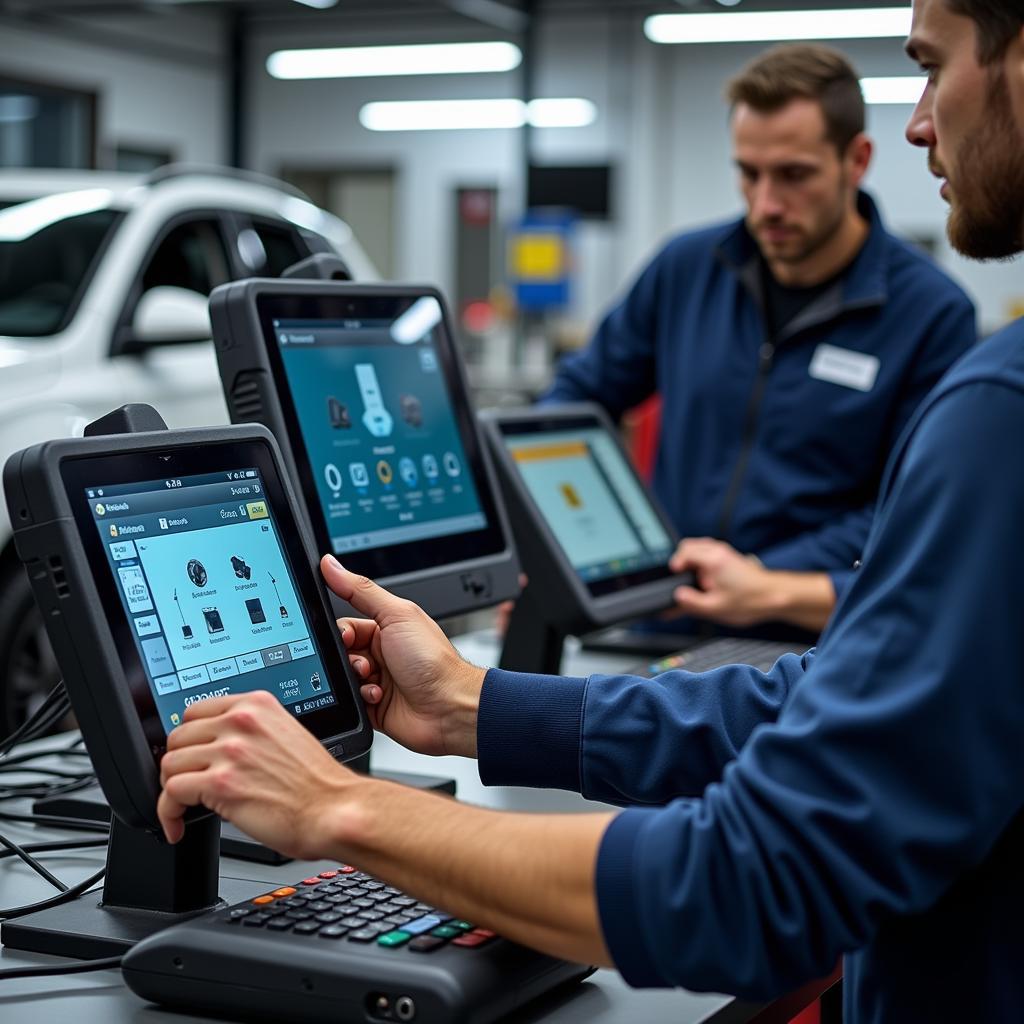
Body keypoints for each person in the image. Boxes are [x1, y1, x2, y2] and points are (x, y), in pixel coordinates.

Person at [158, 1, 1024, 1020]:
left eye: (931, 66)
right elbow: (823, 702)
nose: (924, 116)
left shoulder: (991, 403)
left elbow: (755, 876)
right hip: (690, 636)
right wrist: (474, 706)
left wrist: (339, 807)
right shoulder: (702, 276)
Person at [544, 43, 976, 636]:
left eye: (794, 175)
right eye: (749, 173)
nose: (767, 204)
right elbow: (575, 400)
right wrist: (583, 536)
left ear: (857, 160)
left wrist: (764, 578)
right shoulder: (685, 270)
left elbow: (909, 512)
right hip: (662, 627)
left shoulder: (930, 313)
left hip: (811, 647)